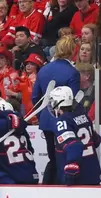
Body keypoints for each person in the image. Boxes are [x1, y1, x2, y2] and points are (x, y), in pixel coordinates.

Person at [32, 35, 80, 184]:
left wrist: (43, 117)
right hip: (64, 121)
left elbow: (35, 97)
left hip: (47, 118)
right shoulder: (72, 72)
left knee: (52, 158)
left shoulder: (44, 69)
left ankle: (46, 188)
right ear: (72, 50)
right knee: (64, 156)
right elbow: (72, 101)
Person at [50, 86, 101, 185]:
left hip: (77, 177)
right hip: (93, 172)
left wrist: (70, 171)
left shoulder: (62, 121)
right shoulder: (84, 116)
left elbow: (74, 146)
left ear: (58, 102)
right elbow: (96, 141)